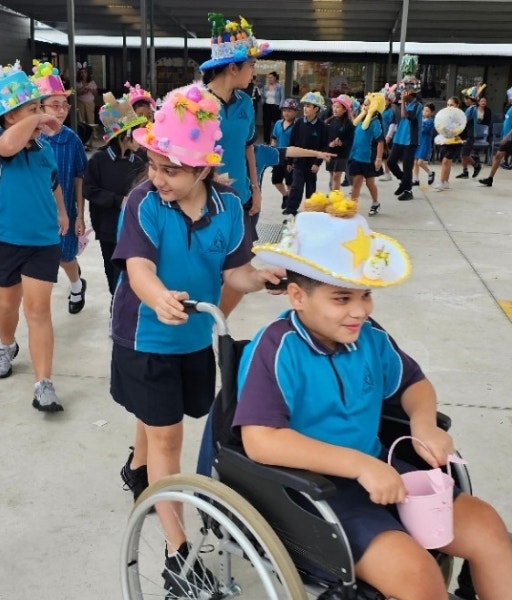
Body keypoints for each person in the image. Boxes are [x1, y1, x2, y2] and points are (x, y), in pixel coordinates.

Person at [234, 203, 512, 600]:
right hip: (310, 493)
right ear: (297, 296)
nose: (360, 311)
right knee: (417, 574)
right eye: (342, 298)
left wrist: (423, 425)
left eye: (365, 295)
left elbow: (414, 384)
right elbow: (261, 440)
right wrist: (360, 465)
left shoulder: (369, 338)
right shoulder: (277, 349)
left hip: (380, 470)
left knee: (487, 526)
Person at [112, 84, 285, 595]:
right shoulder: (142, 201)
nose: (158, 178)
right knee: (169, 437)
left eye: (171, 169)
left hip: (194, 336)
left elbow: (235, 273)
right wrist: (158, 295)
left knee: (161, 420)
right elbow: (138, 267)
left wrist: (263, 278)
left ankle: (136, 469)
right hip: (145, 335)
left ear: (204, 169)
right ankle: (177, 553)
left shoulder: (231, 207)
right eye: (153, 165)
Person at [0, 62, 68, 412]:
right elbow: (8, 145)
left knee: (39, 310)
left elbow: (53, 182)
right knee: (4, 306)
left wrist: (62, 212)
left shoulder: (44, 149)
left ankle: (43, 384)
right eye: (32, 109)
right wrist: (36, 118)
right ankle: (6, 344)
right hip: (3, 238)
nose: (41, 115)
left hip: (43, 241)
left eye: (39, 108)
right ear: (10, 116)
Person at [199, 13, 271, 318]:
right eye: (251, 65)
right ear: (232, 67)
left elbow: (248, 147)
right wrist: (209, 177)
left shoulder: (245, 102)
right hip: (203, 201)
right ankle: (202, 322)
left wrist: (255, 188)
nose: (254, 72)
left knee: (239, 270)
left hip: (240, 200)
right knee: (208, 267)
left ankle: (216, 321)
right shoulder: (195, 104)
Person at [33, 63, 89, 314]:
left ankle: (77, 286)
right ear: (40, 107)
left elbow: (79, 177)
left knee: (65, 255)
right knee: (40, 257)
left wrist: (79, 215)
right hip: (37, 210)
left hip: (65, 208)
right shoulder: (31, 139)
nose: (61, 110)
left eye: (64, 105)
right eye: (54, 105)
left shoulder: (71, 139)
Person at [83, 92, 148, 296]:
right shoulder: (98, 161)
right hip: (108, 229)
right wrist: (119, 201)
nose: (141, 134)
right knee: (113, 276)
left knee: (134, 275)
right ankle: (116, 309)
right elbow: (89, 190)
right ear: (126, 134)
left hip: (131, 229)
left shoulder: (139, 162)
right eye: (137, 130)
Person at [283, 91, 329, 217]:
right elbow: (292, 142)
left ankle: (310, 213)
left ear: (316, 109)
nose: (305, 108)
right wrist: (289, 161)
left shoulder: (322, 127)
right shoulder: (298, 123)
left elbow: (324, 146)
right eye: (305, 106)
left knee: (310, 190)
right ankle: (291, 211)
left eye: (308, 106)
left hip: (312, 166)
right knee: (296, 187)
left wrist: (317, 163)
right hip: (298, 163)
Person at [348, 95, 385, 217]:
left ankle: (375, 203)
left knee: (370, 183)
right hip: (356, 156)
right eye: (364, 103)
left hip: (368, 158)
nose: (364, 105)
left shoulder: (375, 122)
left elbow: (380, 141)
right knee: (356, 181)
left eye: (367, 104)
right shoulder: (361, 118)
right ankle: (352, 207)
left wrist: (379, 159)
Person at [387, 76, 422, 201]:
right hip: (399, 137)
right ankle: (405, 182)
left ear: (410, 93)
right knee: (391, 162)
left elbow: (404, 115)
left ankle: (408, 191)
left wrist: (402, 102)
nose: (402, 94)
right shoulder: (403, 103)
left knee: (407, 166)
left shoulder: (417, 105)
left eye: (404, 92)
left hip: (410, 139)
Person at [479, 86, 512, 187]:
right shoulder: (509, 107)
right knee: (498, 157)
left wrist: (506, 138)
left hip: (509, 139)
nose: (508, 98)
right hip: (506, 139)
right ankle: (490, 179)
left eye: (509, 96)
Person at [270, 98, 299, 210]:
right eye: (285, 110)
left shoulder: (297, 125)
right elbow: (274, 138)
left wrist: (292, 161)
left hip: (290, 158)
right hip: (278, 157)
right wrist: (272, 151)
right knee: (276, 180)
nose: (286, 113)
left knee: (289, 183)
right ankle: (285, 196)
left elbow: (297, 145)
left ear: (295, 112)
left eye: (290, 110)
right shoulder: (278, 123)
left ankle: (290, 206)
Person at [433, 97, 464, 192]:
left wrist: (456, 134)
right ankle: (446, 181)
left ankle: (442, 182)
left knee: (445, 161)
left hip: (455, 141)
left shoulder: (460, 116)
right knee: (447, 162)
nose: (449, 106)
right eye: (448, 104)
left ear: (457, 105)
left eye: (452, 104)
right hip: (446, 140)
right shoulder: (444, 115)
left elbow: (461, 128)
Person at [325, 94, 355, 191]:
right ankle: (332, 192)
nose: (335, 109)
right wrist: (329, 144)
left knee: (336, 176)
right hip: (330, 152)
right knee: (331, 174)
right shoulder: (329, 121)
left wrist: (342, 143)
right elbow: (324, 137)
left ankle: (335, 197)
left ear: (344, 109)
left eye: (338, 107)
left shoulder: (348, 124)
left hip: (342, 154)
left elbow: (351, 141)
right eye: (334, 106)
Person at [456, 84, 486, 180]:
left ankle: (476, 165)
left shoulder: (471, 109)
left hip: (470, 135)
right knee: (463, 154)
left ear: (469, 99)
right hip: (468, 134)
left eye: (465, 99)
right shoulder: (472, 108)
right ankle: (465, 172)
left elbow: (464, 120)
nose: (464, 101)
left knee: (464, 154)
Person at [412, 102, 436, 186]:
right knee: (415, 162)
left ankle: (430, 173)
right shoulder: (421, 119)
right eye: (424, 110)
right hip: (418, 142)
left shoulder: (430, 121)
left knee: (419, 162)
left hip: (424, 143)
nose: (425, 112)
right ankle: (416, 179)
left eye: (427, 111)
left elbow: (423, 129)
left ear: (432, 112)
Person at [378, 86, 398, 182]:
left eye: (385, 99)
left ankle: (387, 173)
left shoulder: (390, 111)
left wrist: (389, 136)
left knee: (386, 155)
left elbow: (392, 124)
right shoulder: (380, 110)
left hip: (386, 136)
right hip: (379, 135)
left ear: (389, 101)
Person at [261, 71, 284, 143]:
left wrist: (280, 107)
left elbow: (282, 97)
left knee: (276, 124)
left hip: (275, 107)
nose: (269, 79)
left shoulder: (279, 87)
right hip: (267, 106)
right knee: (266, 124)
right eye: (268, 77)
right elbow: (262, 96)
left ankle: (275, 140)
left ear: (275, 78)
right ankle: (266, 141)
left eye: (271, 77)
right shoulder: (265, 87)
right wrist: (263, 103)